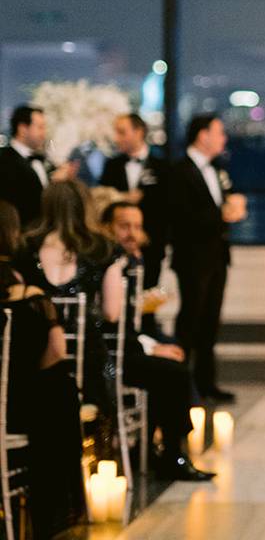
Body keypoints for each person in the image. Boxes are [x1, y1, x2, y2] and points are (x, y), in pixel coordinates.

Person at [101, 201, 215, 481]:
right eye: (124, 226)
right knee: (173, 372)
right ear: (107, 228)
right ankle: (172, 453)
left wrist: (153, 345)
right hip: (108, 356)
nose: (132, 233)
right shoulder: (108, 263)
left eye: (137, 227)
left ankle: (158, 446)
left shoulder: (133, 261)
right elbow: (112, 324)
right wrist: (152, 347)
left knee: (173, 359)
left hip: (125, 345)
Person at [14, 181, 124, 466]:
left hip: (38, 363)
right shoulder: (103, 248)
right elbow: (113, 313)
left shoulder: (25, 247)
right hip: (88, 368)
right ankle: (99, 464)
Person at [0, 200, 85, 539]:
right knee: (59, 388)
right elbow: (56, 352)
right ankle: (52, 509)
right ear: (12, 235)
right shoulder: (29, 297)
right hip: (13, 412)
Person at [168, 114, 246, 404]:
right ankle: (181, 386)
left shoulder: (218, 169)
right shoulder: (180, 171)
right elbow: (181, 217)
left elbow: (225, 201)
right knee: (190, 321)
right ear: (202, 135)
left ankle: (206, 384)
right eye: (219, 132)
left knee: (210, 323)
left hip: (217, 256)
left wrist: (235, 206)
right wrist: (222, 213)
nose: (223, 138)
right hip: (192, 258)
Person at [100, 113, 170, 288]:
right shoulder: (112, 166)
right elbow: (102, 203)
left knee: (147, 300)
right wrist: (121, 198)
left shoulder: (162, 167)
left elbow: (169, 208)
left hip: (151, 247)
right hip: (116, 247)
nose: (117, 138)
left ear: (139, 132)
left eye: (122, 132)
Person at [0, 104, 74, 228]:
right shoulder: (4, 161)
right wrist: (54, 184)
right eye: (40, 127)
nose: (44, 133)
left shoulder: (44, 159)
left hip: (43, 230)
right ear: (23, 128)